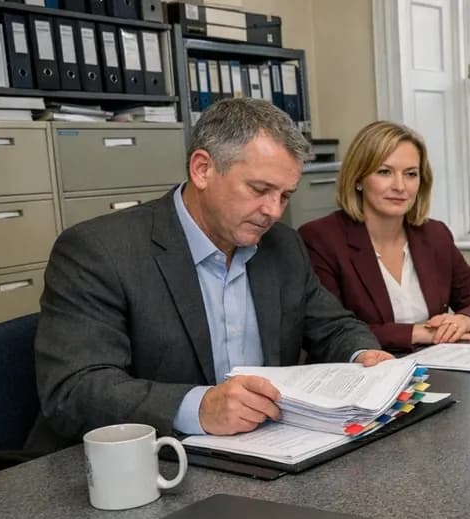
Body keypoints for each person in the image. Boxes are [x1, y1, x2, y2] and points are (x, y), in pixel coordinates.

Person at [29, 98, 392, 452]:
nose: (274, 211)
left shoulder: (282, 247)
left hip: (262, 452)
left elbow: (334, 327)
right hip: (139, 463)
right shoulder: (100, 251)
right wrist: (199, 407)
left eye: (285, 195)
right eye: (260, 189)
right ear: (202, 169)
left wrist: (365, 357)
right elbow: (75, 390)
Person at [297, 121, 470, 353]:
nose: (400, 186)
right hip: (366, 374)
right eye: (384, 172)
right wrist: (421, 333)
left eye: (411, 174)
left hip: (434, 366)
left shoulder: (435, 235)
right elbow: (329, 330)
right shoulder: (321, 239)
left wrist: (464, 320)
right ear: (357, 179)